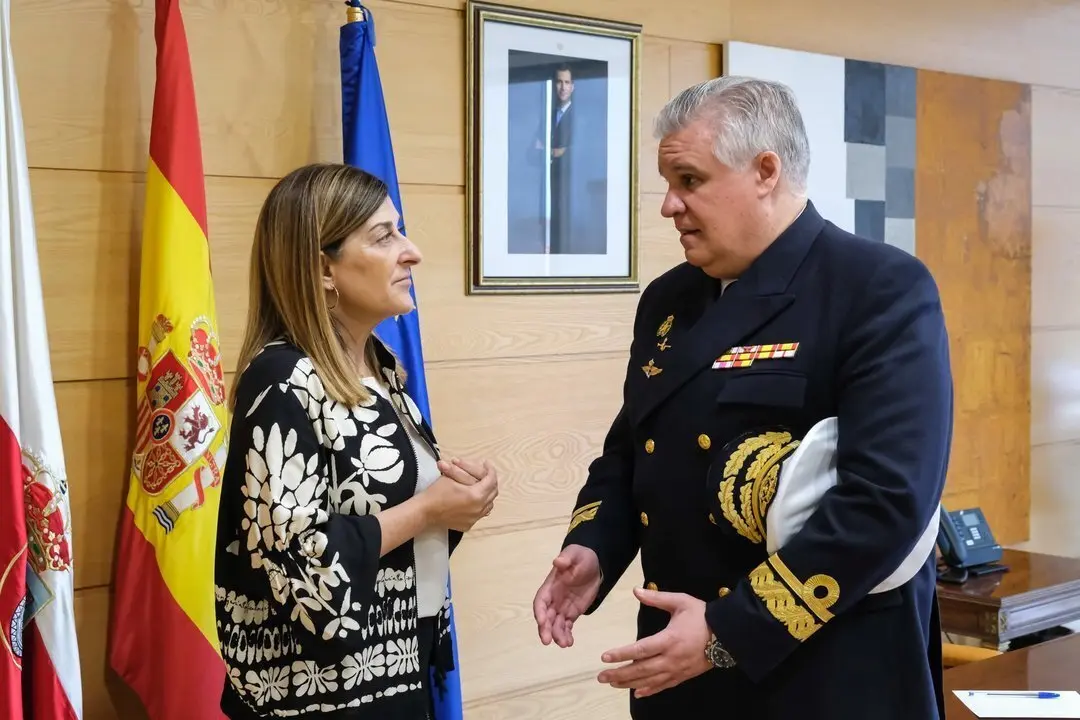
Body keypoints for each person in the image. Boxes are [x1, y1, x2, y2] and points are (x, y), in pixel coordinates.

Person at [532, 76, 953, 719]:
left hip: (823, 671)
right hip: (682, 668)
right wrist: (595, 546)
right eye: (668, 185)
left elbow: (886, 501)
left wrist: (731, 632)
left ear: (765, 171)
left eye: (689, 181)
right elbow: (632, 449)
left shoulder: (878, 287)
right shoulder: (671, 299)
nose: (669, 206)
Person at [214, 163, 498, 719]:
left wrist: (457, 502)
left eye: (400, 230)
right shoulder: (282, 380)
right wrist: (427, 510)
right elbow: (300, 567)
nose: (410, 251)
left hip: (395, 671)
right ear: (324, 268)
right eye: (384, 236)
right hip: (319, 696)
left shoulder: (381, 368)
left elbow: (389, 523)